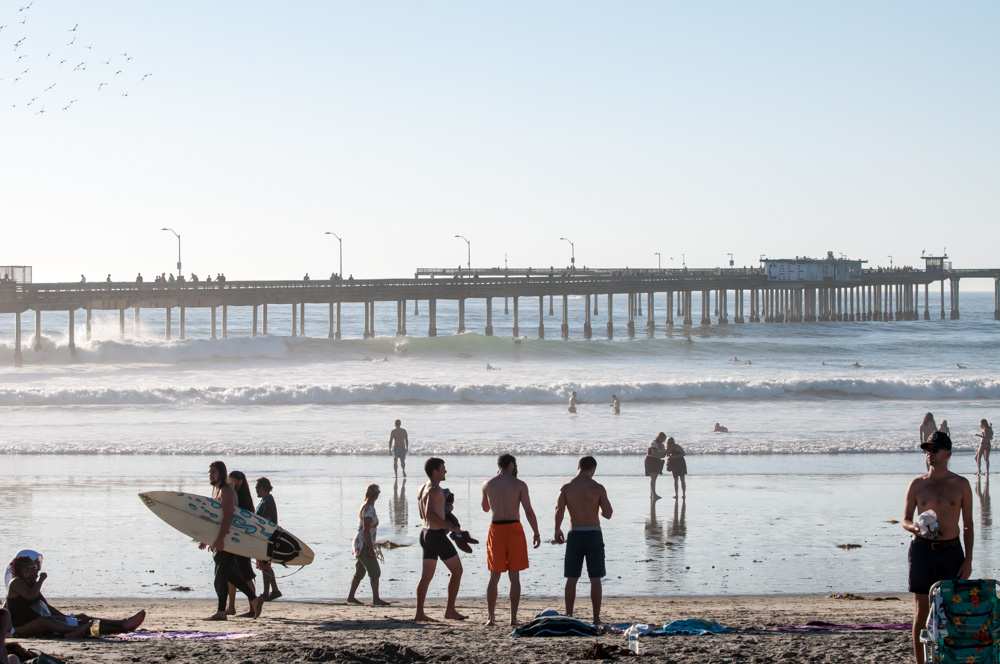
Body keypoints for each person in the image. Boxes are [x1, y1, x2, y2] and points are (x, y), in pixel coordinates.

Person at [901, 431, 973, 664]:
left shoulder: (960, 484)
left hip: (951, 551)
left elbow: (968, 525)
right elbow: (905, 519)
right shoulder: (917, 484)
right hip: (922, 550)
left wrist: (968, 560)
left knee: (952, 609)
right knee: (921, 609)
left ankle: (949, 659)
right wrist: (916, 528)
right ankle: (921, 662)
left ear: (947, 453)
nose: (929, 454)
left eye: (934, 449)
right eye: (927, 450)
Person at [5, 554, 145, 638]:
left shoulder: (33, 586)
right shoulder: (15, 582)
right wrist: (41, 580)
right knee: (44, 621)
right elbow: (30, 596)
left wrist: (66, 618)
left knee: (82, 619)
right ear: (19, 572)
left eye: (34, 569)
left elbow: (46, 607)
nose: (33, 573)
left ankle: (121, 625)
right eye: (28, 570)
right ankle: (74, 632)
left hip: (39, 622)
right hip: (19, 629)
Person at [481, 454, 541, 627]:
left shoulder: (488, 484)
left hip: (496, 528)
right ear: (511, 465)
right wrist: (536, 532)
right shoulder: (519, 484)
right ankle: (513, 618)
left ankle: (491, 618)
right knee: (514, 576)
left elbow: (485, 508)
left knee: (494, 576)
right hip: (514, 528)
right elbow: (528, 511)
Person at [554, 456, 613, 625]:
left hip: (575, 534)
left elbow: (559, 510)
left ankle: (569, 615)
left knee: (572, 577)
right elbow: (608, 513)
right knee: (595, 578)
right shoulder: (598, 488)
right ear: (592, 469)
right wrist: (598, 510)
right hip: (593, 534)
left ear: (578, 467)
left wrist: (557, 529)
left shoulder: (566, 488)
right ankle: (595, 618)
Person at [202, 461, 263, 621]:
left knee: (220, 578)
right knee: (228, 575)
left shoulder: (227, 491)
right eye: (210, 472)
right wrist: (206, 539)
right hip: (221, 539)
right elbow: (215, 518)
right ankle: (253, 599)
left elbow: (228, 517)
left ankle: (222, 612)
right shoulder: (218, 490)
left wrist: (220, 539)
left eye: (213, 472)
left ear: (221, 473)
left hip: (228, 540)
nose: (210, 475)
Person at [414, 457, 465, 622]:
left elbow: (424, 514)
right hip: (436, 536)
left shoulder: (422, 487)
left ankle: (419, 613)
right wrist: (451, 527)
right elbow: (429, 514)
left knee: (426, 577)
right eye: (443, 468)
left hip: (425, 533)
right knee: (458, 570)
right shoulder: (435, 490)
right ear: (435, 471)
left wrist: (444, 511)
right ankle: (450, 610)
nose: (446, 471)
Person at [348, 484, 390, 607]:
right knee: (375, 572)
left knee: (360, 571)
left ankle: (351, 597)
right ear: (375, 495)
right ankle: (376, 599)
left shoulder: (365, 505)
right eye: (378, 493)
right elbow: (366, 530)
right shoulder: (369, 508)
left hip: (360, 542)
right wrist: (370, 548)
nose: (379, 495)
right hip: (364, 543)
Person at [225, 471, 258, 616]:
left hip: (242, 543)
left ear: (239, 481)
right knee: (231, 575)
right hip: (234, 542)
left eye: (232, 482)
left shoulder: (243, 499)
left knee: (246, 574)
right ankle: (231, 607)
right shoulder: (238, 496)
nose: (230, 484)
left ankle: (253, 608)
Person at [254, 477, 281, 601]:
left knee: (265, 565)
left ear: (263, 488)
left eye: (257, 487)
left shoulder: (267, 501)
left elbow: (265, 520)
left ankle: (270, 591)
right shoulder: (266, 500)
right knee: (265, 565)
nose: (255, 490)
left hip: (266, 538)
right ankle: (272, 591)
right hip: (265, 537)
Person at [645, 433, 668, 500]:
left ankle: (652, 494)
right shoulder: (653, 442)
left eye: (664, 439)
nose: (663, 440)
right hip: (650, 460)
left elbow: (663, 455)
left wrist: (660, 454)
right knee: (653, 478)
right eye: (663, 438)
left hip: (657, 461)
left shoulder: (662, 445)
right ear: (659, 437)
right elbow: (653, 453)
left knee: (654, 478)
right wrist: (660, 454)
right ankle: (653, 494)